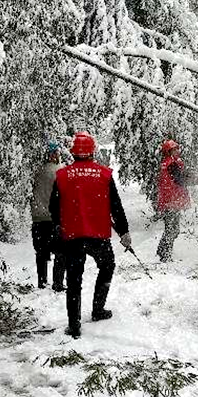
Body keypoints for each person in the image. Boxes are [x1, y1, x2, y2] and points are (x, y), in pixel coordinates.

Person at [49, 132, 131, 339]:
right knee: (107, 266)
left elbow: (53, 207)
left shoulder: (62, 175)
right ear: (93, 151)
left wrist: (60, 224)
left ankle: (74, 325)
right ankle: (98, 309)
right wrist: (123, 231)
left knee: (74, 280)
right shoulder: (104, 174)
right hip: (98, 235)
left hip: (72, 236)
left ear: (73, 152)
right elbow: (116, 206)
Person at [30, 141, 64, 290]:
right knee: (61, 251)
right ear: (56, 155)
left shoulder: (37, 171)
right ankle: (58, 283)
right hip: (55, 218)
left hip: (38, 217)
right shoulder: (61, 171)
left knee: (41, 252)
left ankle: (42, 282)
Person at [156, 139, 190, 262]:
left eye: (177, 148)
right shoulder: (172, 164)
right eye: (174, 149)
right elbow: (180, 180)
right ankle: (164, 254)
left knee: (172, 229)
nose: (177, 151)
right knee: (172, 229)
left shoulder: (167, 163)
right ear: (169, 151)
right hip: (171, 202)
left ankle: (163, 251)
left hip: (169, 201)